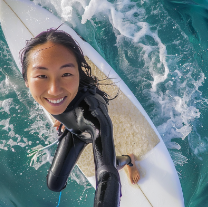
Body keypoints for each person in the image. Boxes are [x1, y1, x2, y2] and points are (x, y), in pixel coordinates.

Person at [20, 29, 140, 206]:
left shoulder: (95, 116)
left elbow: (106, 173)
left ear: (77, 73)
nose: (54, 90)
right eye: (42, 76)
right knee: (54, 185)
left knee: (109, 161)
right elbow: (58, 100)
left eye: (66, 74)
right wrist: (62, 116)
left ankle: (129, 160)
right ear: (26, 81)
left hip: (89, 127)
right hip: (74, 130)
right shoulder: (49, 95)